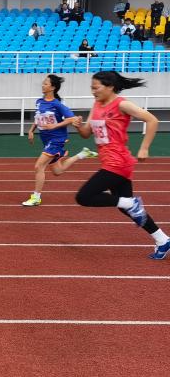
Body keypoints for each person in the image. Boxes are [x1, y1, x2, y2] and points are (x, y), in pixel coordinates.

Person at [74, 71, 170, 260]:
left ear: (110, 87)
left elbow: (152, 120)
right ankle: (162, 239)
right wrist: (78, 125)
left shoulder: (122, 104)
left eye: (96, 87)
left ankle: (131, 203)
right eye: (91, 88)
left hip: (118, 162)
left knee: (84, 196)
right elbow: (86, 133)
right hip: (109, 161)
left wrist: (144, 147)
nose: (93, 91)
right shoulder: (96, 104)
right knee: (125, 207)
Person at [21, 75, 97, 207]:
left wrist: (55, 126)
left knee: (39, 166)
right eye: (43, 83)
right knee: (58, 171)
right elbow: (38, 118)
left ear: (53, 87)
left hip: (56, 139)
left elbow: (72, 119)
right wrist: (31, 130)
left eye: (45, 83)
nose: (43, 85)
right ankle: (83, 154)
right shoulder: (39, 101)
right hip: (46, 140)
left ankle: (36, 197)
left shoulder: (57, 104)